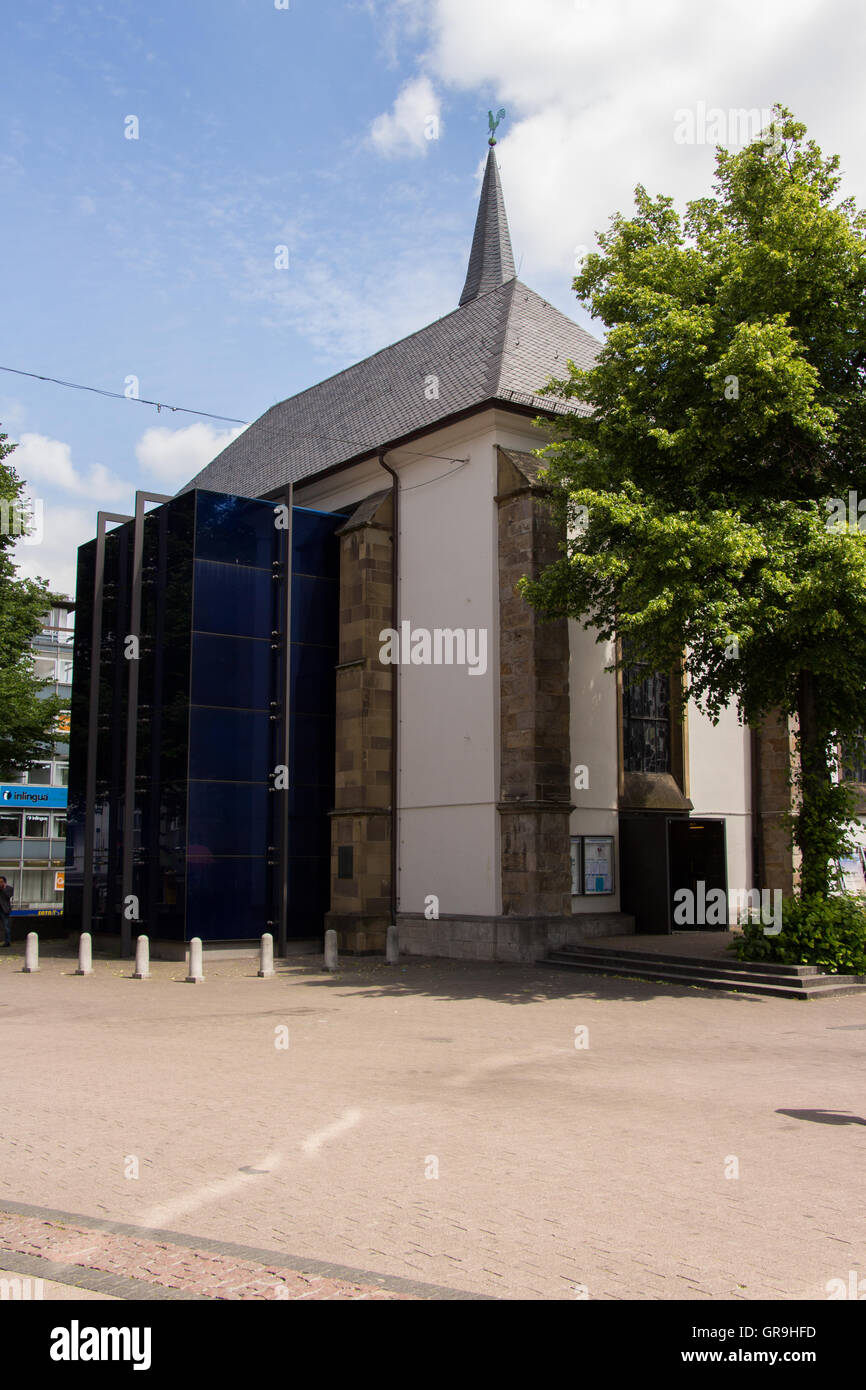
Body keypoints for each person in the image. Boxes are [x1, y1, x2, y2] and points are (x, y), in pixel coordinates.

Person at [0, 876, 12, 946]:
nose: (0, 883)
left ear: (4, 882)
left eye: (1, 882)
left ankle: (7, 941)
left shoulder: (9, 888)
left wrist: (4, 888)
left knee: (6, 926)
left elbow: (9, 896)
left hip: (4, 910)